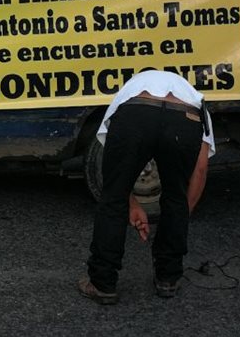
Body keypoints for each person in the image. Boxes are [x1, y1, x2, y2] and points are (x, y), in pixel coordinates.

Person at [78, 70, 215, 305]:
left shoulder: (130, 89)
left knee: (113, 198)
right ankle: (168, 278)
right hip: (184, 118)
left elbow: (115, 177)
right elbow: (200, 171)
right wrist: (179, 219)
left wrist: (130, 202)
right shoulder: (194, 97)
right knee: (176, 196)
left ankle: (102, 283)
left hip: (135, 113)